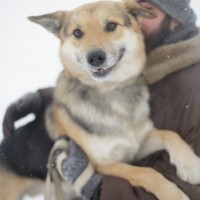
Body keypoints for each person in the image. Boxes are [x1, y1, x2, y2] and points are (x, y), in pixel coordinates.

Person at [1, 0, 200, 199]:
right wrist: (41, 98)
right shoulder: (137, 64)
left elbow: (190, 187)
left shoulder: (192, 87)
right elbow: (96, 90)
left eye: (111, 26)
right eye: (78, 33)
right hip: (14, 169)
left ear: (176, 19)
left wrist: (95, 188)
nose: (94, 50)